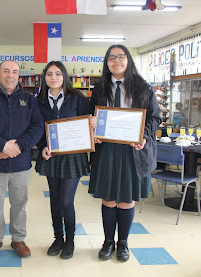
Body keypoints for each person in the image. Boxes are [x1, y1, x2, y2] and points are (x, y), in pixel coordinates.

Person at [89, 45, 161, 262]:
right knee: (109, 199)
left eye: (121, 57)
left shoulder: (143, 88)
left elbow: (154, 118)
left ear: (128, 60)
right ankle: (108, 241)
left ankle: (123, 243)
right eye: (112, 58)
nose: (116, 61)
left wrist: (144, 136)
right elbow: (90, 115)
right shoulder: (99, 88)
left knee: (127, 200)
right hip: (107, 150)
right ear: (107, 62)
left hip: (132, 151)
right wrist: (93, 128)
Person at [0, 60, 44, 258]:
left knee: (20, 203)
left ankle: (18, 238)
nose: (10, 75)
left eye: (14, 72)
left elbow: (37, 126)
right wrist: (2, 146)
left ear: (19, 75)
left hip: (20, 164)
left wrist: (18, 146)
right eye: (6, 71)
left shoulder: (30, 100)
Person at [35, 61, 91, 259]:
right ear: (44, 78)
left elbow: (87, 126)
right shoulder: (39, 100)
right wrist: (42, 147)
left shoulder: (77, 99)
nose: (53, 78)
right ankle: (58, 238)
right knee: (55, 201)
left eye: (58, 74)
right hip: (51, 157)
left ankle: (70, 241)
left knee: (66, 201)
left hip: (73, 157)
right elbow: (37, 128)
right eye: (49, 74)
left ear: (65, 77)